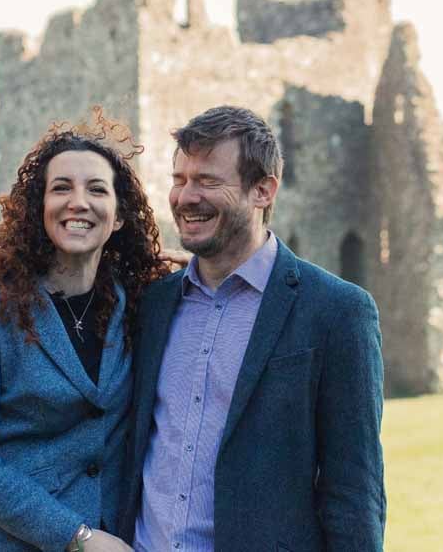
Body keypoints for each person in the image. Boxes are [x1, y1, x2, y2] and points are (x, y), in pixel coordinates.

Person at [122, 106, 386, 551]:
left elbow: (354, 494)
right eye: (179, 179)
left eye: (208, 181)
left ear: (263, 191)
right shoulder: (152, 305)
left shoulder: (337, 312)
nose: (186, 197)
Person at [0, 109, 170, 552]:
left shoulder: (138, 303)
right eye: (61, 188)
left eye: (97, 189)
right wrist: (77, 537)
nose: (78, 202)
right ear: (38, 210)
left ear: (119, 217)